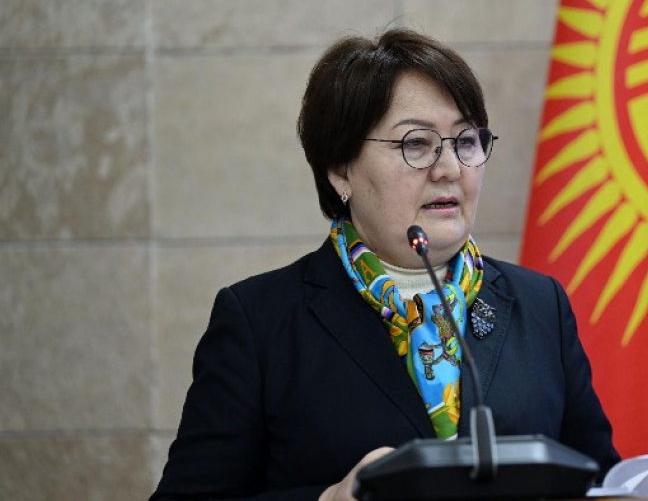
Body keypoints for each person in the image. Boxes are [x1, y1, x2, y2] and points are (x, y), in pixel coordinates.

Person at [150, 27, 620, 501]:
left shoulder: (539, 304)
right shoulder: (260, 321)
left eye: (465, 141)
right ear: (341, 170)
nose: (449, 168)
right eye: (416, 143)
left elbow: (600, 480)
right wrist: (328, 499)